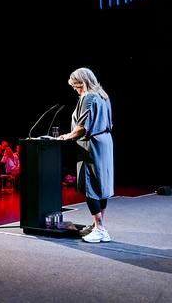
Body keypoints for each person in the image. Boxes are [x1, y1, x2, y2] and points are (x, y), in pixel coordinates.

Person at [57, 67, 114, 243]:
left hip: (92, 145)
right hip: (105, 142)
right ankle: (98, 224)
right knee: (101, 186)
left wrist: (65, 137)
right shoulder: (103, 95)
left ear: (82, 82)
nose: (75, 90)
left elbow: (82, 127)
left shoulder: (88, 97)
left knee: (91, 187)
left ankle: (100, 229)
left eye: (75, 86)